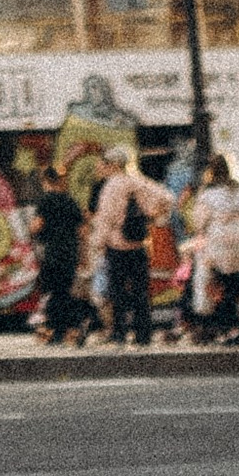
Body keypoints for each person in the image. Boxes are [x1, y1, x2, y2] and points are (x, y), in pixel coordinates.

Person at [89, 144, 164, 348]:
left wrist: (96, 244)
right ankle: (144, 334)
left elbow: (106, 220)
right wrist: (155, 217)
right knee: (141, 292)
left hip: (117, 247)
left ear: (113, 164)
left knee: (118, 293)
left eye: (105, 163)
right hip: (139, 246)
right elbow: (165, 198)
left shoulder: (111, 186)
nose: (102, 167)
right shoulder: (138, 182)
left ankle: (120, 333)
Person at [186, 152, 239, 339]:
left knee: (224, 287)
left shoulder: (208, 194)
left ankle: (232, 329)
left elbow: (199, 222)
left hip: (220, 244)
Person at [32, 162, 86, 345]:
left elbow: (37, 225)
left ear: (46, 180)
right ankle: (71, 327)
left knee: (53, 292)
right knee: (64, 291)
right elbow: (83, 231)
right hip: (70, 252)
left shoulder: (45, 200)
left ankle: (59, 330)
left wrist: (33, 232)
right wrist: (82, 255)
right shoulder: (70, 200)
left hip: (52, 252)